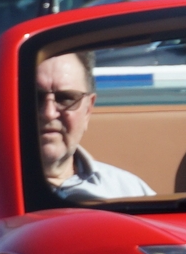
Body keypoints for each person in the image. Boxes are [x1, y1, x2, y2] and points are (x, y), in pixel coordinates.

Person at [32, 50, 153, 201]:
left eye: (66, 99)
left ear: (88, 109)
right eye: (34, 97)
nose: (48, 113)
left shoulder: (129, 192)